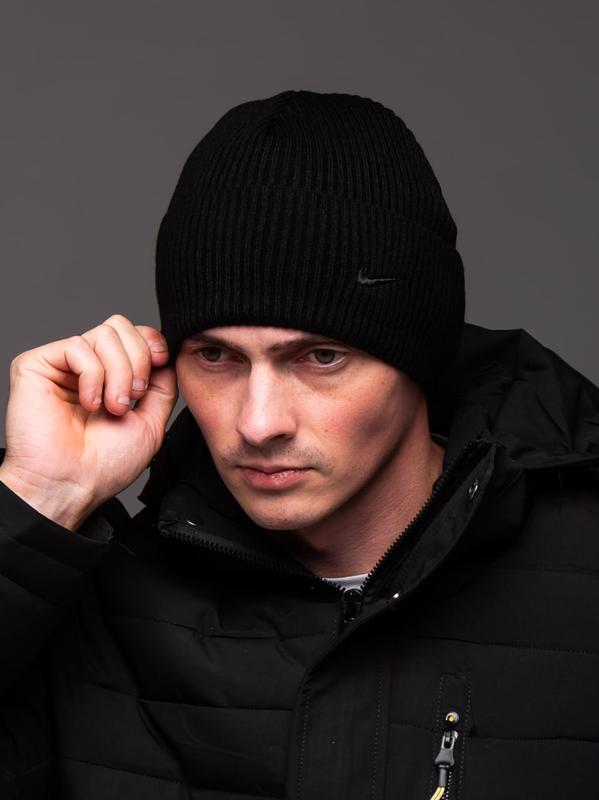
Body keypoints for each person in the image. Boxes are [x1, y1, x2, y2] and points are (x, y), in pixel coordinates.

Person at [1, 89, 599, 800]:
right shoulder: (93, 603)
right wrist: (40, 499)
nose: (258, 424)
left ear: (419, 357)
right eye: (216, 357)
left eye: (320, 358)